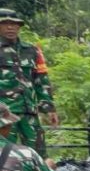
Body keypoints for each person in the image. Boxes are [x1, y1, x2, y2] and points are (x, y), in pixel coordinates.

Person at [0, 8, 58, 156]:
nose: (10, 27)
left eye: (14, 24)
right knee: (5, 155)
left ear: (19, 27)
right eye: (5, 23)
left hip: (29, 112)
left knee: (38, 153)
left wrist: (49, 108)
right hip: (4, 114)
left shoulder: (32, 50)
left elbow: (41, 80)